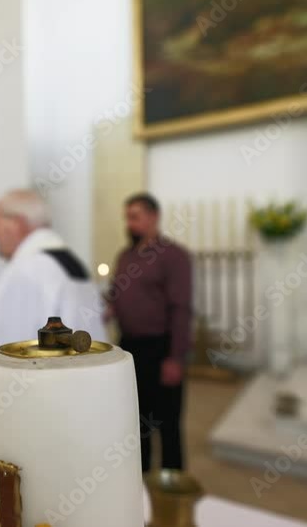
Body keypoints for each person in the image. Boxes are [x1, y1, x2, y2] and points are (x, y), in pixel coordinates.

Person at [0, 190, 107, 497]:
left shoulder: (28, 269)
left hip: (25, 418)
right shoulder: (69, 261)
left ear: (16, 224)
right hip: (73, 408)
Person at [107, 193, 192, 472]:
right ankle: (138, 486)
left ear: (154, 217)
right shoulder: (124, 256)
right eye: (127, 218)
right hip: (130, 347)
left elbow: (181, 308)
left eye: (135, 217)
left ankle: (171, 491)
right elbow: (116, 298)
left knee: (167, 424)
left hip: (161, 349)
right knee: (135, 422)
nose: (129, 223)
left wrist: (175, 358)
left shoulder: (174, 256)